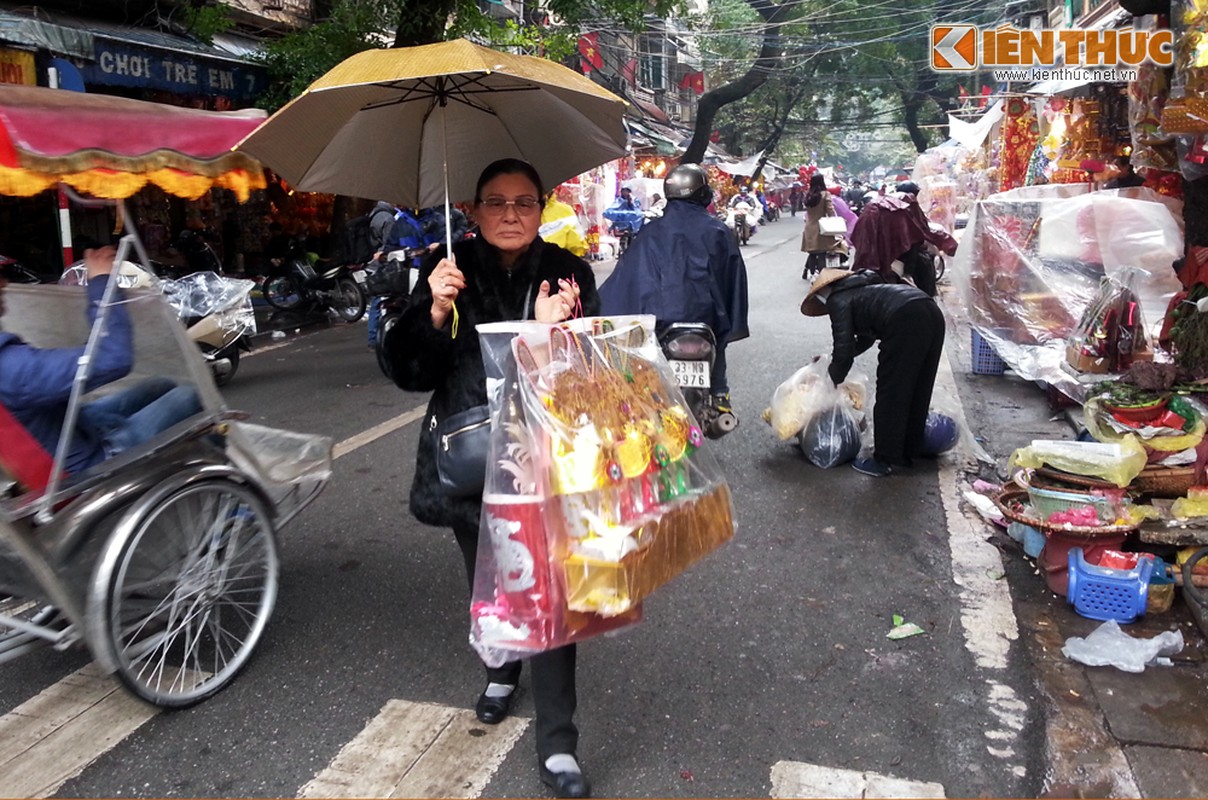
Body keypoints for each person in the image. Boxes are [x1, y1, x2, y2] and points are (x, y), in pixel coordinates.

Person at [383, 158, 596, 799]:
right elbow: (410, 372)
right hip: (468, 457)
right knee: (488, 577)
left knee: (548, 593)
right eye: (496, 203)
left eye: (524, 203)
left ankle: (559, 743)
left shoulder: (569, 272)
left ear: (541, 210)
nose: (510, 214)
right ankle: (500, 669)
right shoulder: (447, 269)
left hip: (546, 458)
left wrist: (557, 330)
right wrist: (435, 308)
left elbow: (592, 374)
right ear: (472, 211)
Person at [0, 236, 201, 476]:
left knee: (160, 384)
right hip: (92, 462)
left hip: (73, 427)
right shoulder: (11, 367)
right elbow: (113, 359)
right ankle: (225, 490)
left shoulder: (12, 363)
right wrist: (102, 282)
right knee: (188, 395)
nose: (4, 283)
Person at [598, 162, 750, 415]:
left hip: (660, 323)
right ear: (703, 194)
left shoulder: (650, 232)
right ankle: (721, 395)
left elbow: (628, 278)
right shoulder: (719, 232)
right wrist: (730, 320)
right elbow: (733, 282)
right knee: (719, 338)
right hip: (706, 320)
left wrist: (598, 306)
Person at [800, 268, 944, 477]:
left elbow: (843, 353)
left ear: (822, 295)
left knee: (892, 390)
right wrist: (829, 361)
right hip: (929, 310)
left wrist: (830, 382)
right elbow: (864, 339)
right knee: (919, 386)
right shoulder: (864, 290)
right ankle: (909, 450)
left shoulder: (837, 300)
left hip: (904, 319)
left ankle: (885, 459)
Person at [365, 201, 401, 348]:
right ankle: (378, 337)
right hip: (384, 262)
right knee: (384, 298)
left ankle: (373, 337)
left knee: (376, 300)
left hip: (374, 263)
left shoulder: (373, 216)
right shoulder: (388, 219)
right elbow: (390, 243)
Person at [801, 173, 849, 279]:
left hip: (809, 227)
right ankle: (822, 276)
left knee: (812, 253)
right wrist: (836, 220)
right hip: (822, 227)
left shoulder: (808, 195)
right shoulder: (825, 194)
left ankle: (812, 274)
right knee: (822, 252)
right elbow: (830, 210)